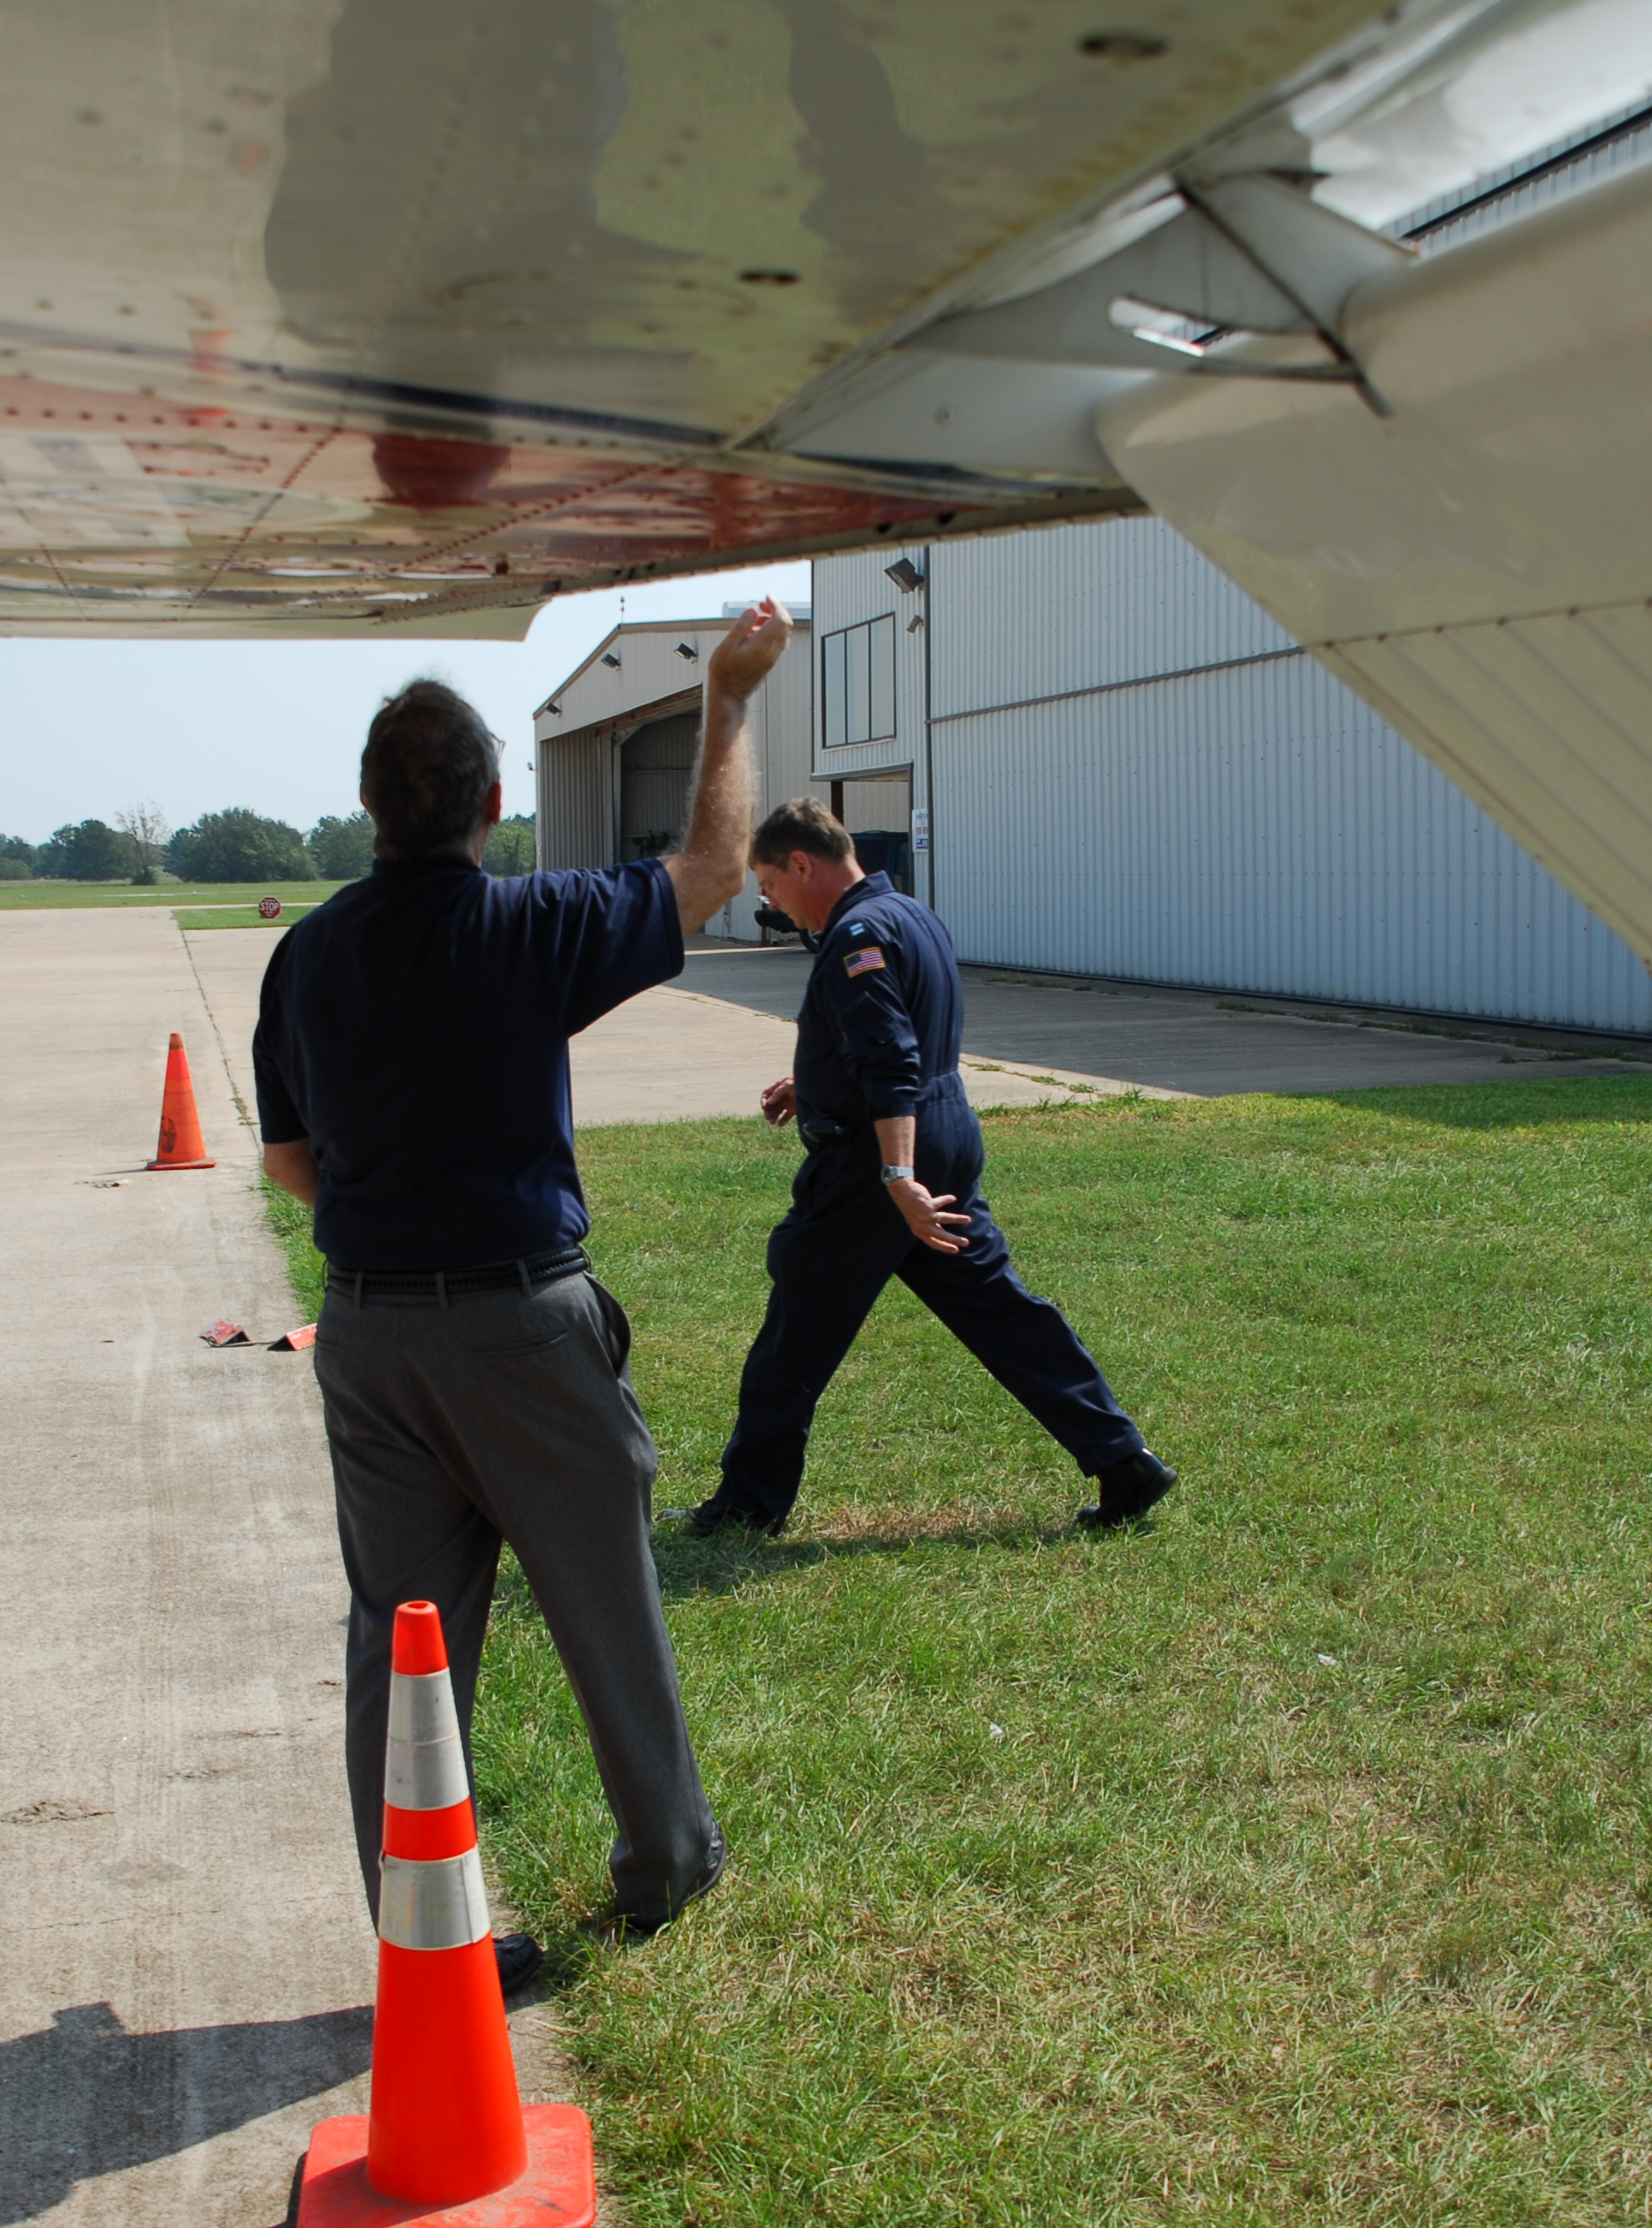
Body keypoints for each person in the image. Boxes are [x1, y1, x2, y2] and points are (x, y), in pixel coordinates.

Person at [252, 604, 789, 1950]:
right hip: (522, 1326)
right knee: (607, 1605)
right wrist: (726, 696)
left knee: (402, 1643)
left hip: (369, 1337)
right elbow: (715, 865)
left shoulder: (306, 953)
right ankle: (665, 1866)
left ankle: (420, 1921)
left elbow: (289, 1161)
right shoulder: (533, 922)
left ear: (370, 808)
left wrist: (389, 1226)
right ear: (495, 805)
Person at [682, 799, 1176, 1539]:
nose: (771, 904)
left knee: (798, 1324)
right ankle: (1125, 1462)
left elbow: (890, 1059)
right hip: (941, 1128)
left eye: (772, 885)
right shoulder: (911, 915)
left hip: (877, 1164)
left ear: (802, 864)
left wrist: (896, 1178)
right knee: (1001, 1311)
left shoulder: (857, 936)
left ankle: (747, 1506)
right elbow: (898, 1038)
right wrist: (815, 1084)